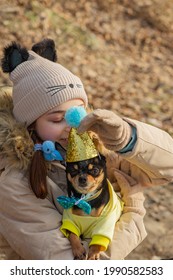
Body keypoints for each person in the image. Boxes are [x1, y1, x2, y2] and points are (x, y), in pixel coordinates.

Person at [0, 38, 173, 260]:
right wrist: (133, 213)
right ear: (30, 125)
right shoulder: (13, 184)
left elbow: (168, 168)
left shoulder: (94, 145)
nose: (71, 126)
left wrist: (127, 138)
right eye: (57, 119)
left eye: (78, 113)